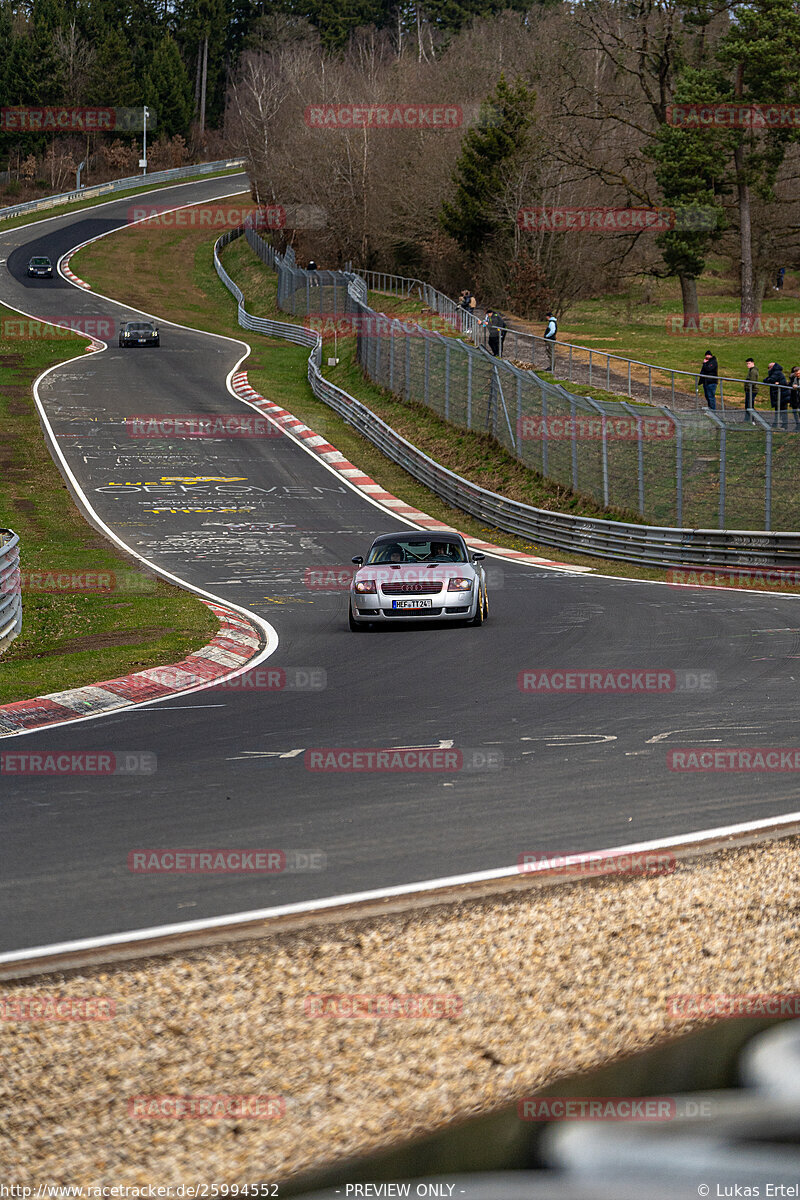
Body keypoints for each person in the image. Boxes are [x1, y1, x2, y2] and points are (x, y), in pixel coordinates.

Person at [764, 361, 789, 429]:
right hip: (778, 395)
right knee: (778, 410)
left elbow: (770, 380)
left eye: (768, 367)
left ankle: (784, 425)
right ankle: (776, 424)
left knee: (782, 410)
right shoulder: (774, 372)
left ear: (772, 367)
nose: (768, 369)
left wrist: (770, 380)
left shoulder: (776, 373)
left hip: (782, 395)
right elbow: (766, 380)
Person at [744, 357, 759, 423]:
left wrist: (748, 387)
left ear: (753, 363)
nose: (748, 365)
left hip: (752, 390)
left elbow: (752, 382)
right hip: (749, 390)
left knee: (749, 405)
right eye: (747, 364)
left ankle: (752, 419)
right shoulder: (751, 370)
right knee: (748, 405)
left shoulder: (753, 371)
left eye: (749, 363)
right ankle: (748, 419)